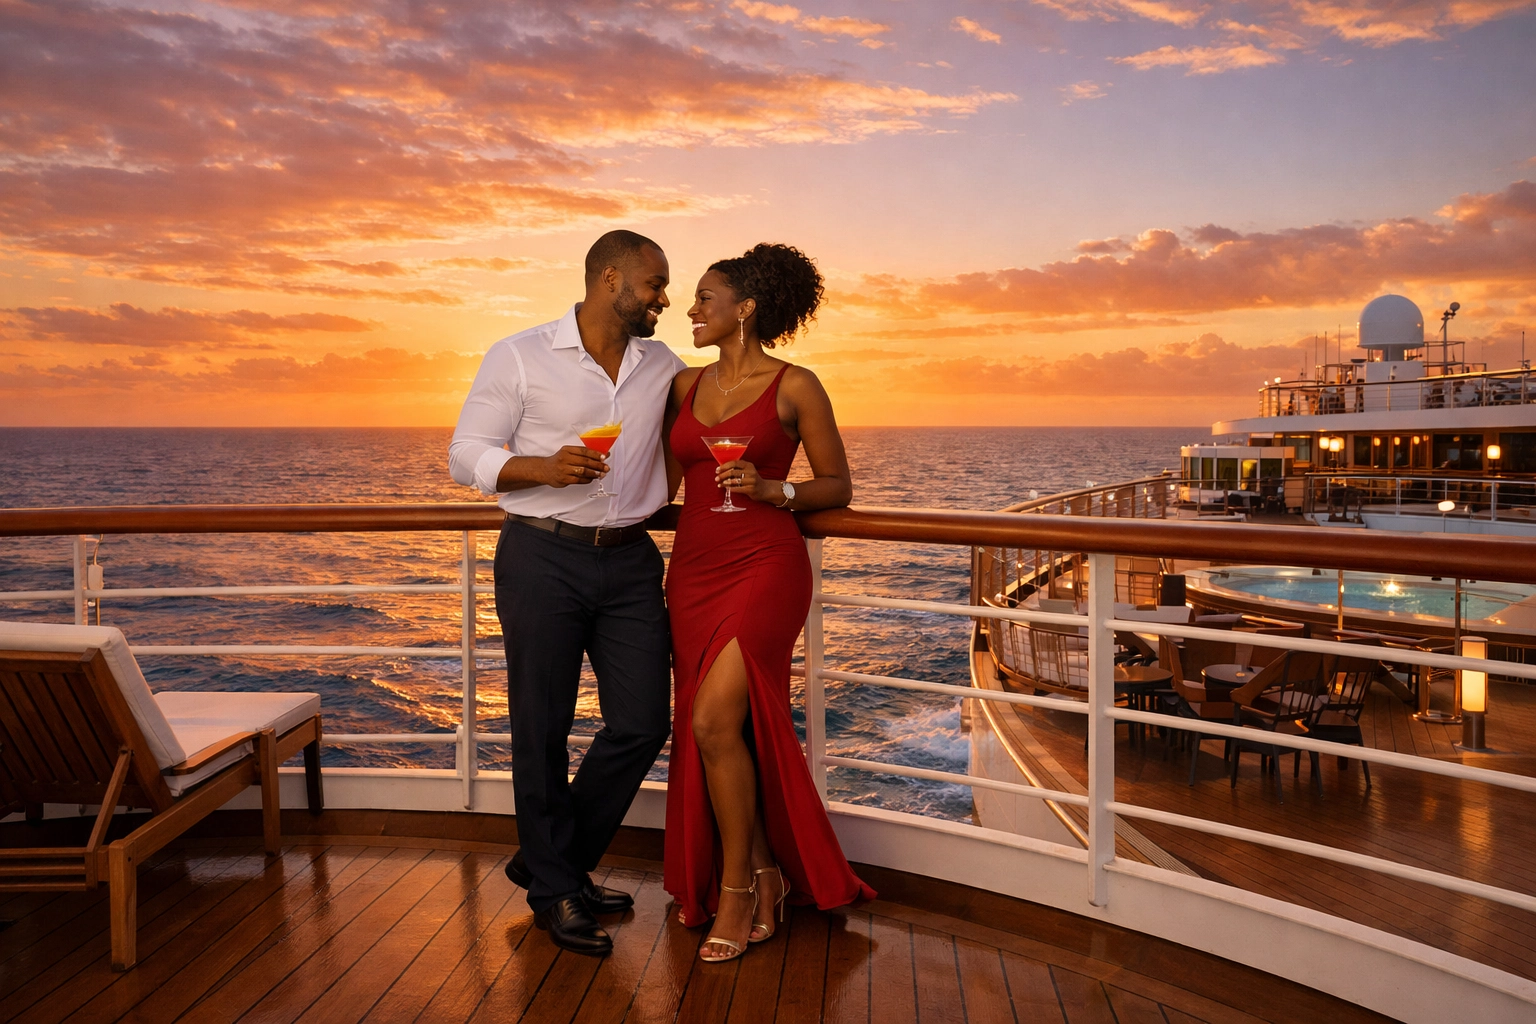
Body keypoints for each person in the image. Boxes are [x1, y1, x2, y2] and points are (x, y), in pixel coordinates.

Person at [448, 229, 683, 957]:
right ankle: (557, 890)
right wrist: (539, 469)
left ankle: (551, 863)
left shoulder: (663, 365)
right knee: (541, 728)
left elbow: (690, 444)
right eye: (654, 284)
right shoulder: (519, 355)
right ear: (608, 277)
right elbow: (464, 454)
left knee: (643, 722)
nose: (663, 300)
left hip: (631, 562)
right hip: (541, 557)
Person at [663, 243, 875, 963]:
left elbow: (837, 486)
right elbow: (661, 485)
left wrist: (774, 489)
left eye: (703, 298)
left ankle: (737, 893)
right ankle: (762, 871)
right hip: (692, 569)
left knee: (714, 720)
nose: (691, 311)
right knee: (719, 733)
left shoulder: (796, 386)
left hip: (764, 564)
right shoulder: (682, 388)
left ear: (744, 308)